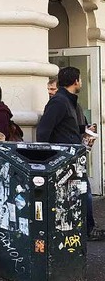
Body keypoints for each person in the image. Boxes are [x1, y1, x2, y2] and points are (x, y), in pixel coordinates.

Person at [37, 67, 103, 241]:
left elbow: (65, 126)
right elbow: (43, 131)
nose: (81, 82)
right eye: (80, 79)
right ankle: (85, 230)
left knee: (81, 192)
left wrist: (84, 129)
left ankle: (84, 228)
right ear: (76, 81)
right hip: (64, 158)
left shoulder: (68, 101)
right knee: (82, 192)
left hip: (71, 156)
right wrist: (48, 157)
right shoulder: (59, 102)